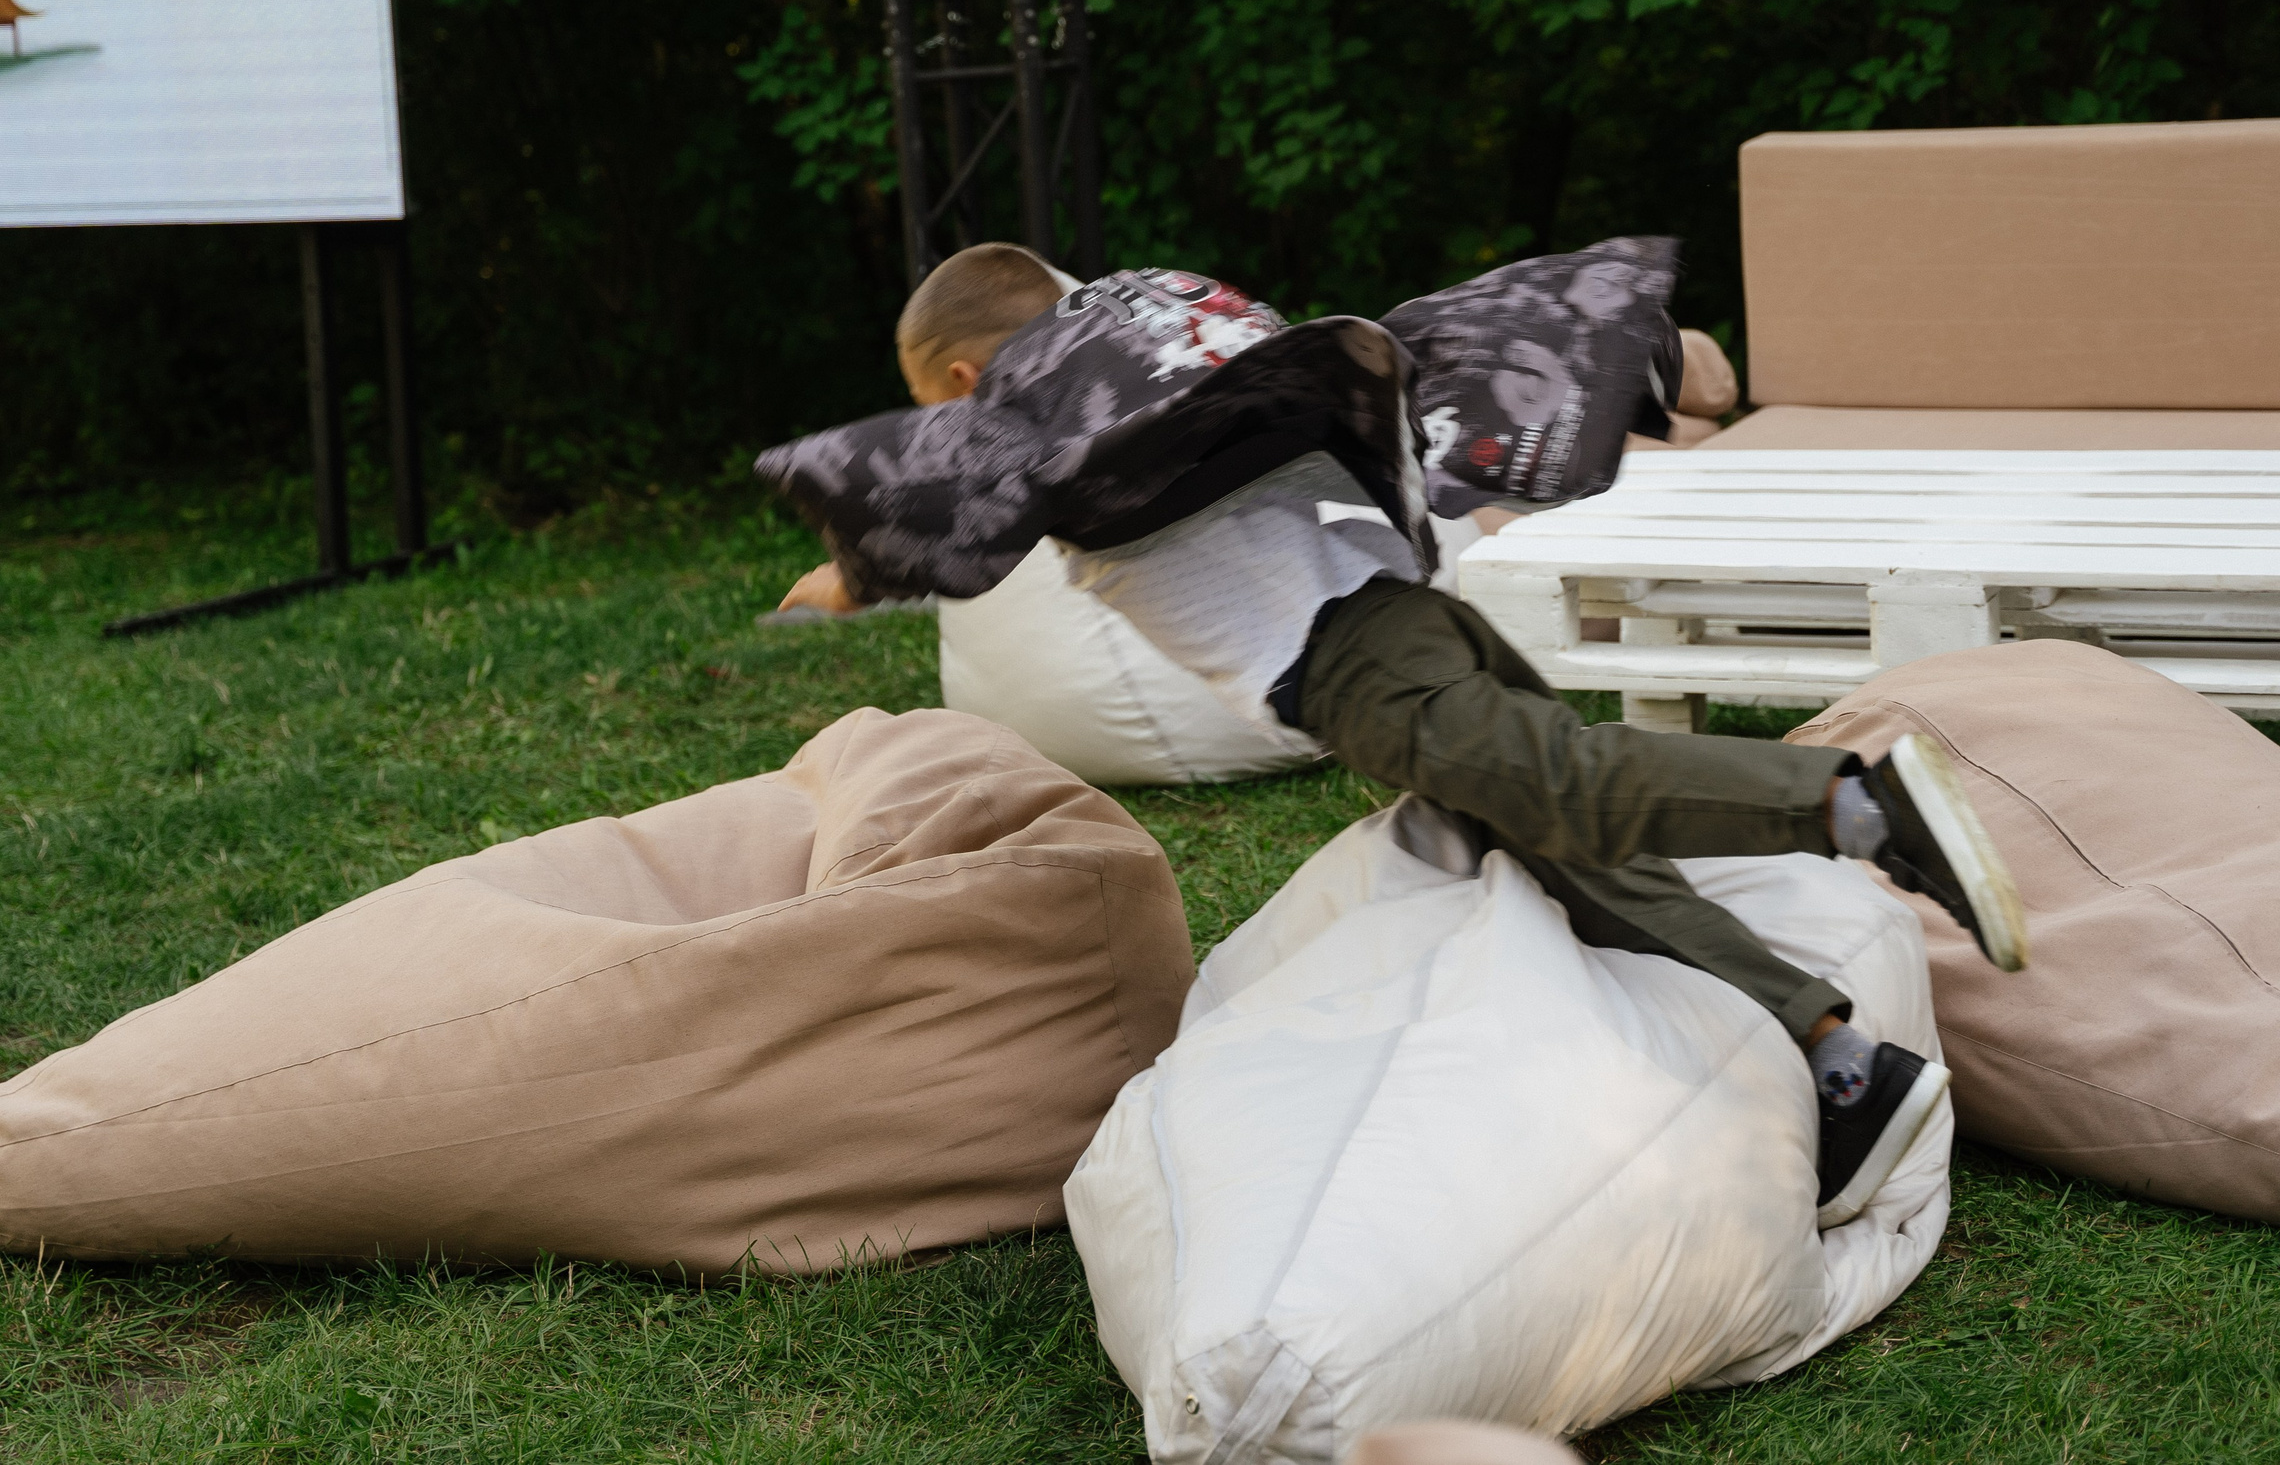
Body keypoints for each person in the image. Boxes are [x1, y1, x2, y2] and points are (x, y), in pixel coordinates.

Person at [764, 243, 2027, 1227]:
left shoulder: (1038, 412)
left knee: (1574, 792)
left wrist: (848, 577)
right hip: (1408, 617)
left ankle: (1859, 808)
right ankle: (1838, 1062)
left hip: (1355, 663)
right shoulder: (1160, 351)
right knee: (1576, 852)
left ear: (959, 382)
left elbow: (935, 504)